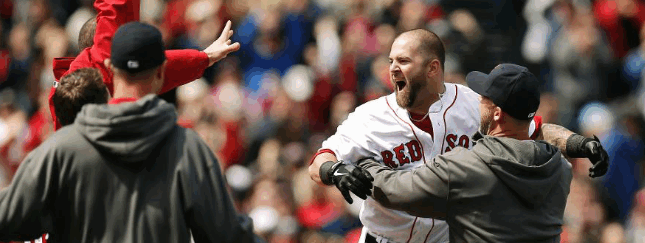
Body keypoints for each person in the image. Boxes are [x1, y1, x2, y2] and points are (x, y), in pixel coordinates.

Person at [308, 29, 609, 243]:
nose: (393, 69)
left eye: (403, 61)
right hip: (386, 238)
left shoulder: (470, 103)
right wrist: (334, 170)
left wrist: (578, 143)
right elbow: (319, 160)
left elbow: (536, 129)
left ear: (432, 68)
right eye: (391, 61)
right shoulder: (370, 117)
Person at [0, 22, 259, 243]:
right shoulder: (187, 148)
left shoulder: (61, 150)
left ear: (111, 68)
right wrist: (201, 58)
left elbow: (9, 217)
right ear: (161, 72)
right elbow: (227, 235)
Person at [357, 63, 573, 242]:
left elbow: (394, 190)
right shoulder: (561, 169)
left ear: (497, 113)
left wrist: (364, 162)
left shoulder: (465, 167)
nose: (478, 100)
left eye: (484, 98)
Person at [49, 0, 236, 130]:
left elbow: (152, 67)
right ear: (105, 58)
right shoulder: (104, 73)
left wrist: (204, 57)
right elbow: (115, 9)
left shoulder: (65, 96)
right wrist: (205, 57)